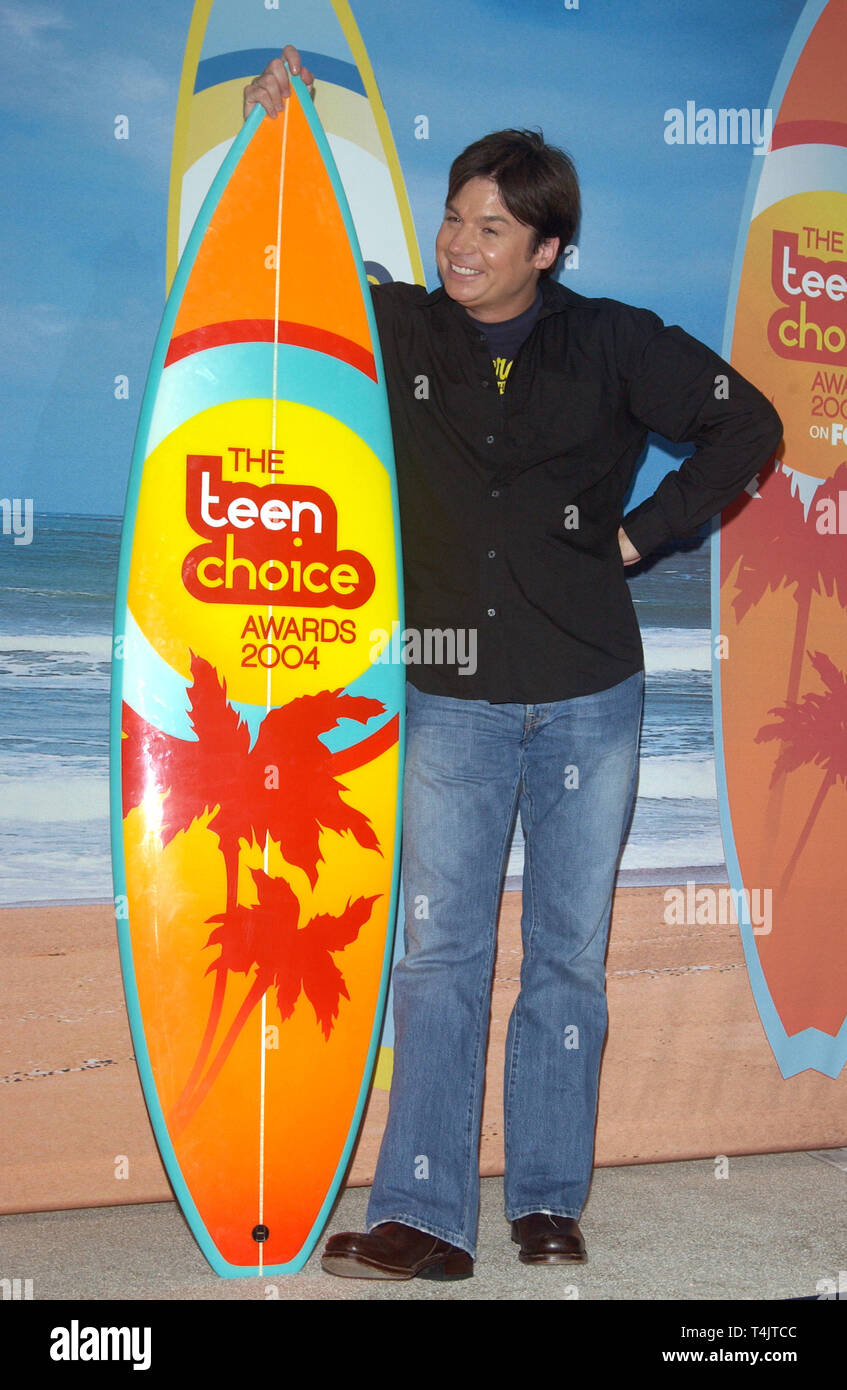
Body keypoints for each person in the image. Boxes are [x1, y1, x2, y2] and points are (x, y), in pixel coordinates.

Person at [244, 49, 782, 1281]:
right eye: (453, 214)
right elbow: (280, 265)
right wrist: (279, 127)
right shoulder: (399, 325)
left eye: (492, 225)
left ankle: (546, 1204)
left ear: (547, 248)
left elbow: (745, 422)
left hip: (591, 695)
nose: (460, 241)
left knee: (562, 959)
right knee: (435, 954)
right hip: (449, 700)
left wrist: (644, 533)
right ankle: (423, 1218)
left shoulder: (612, 344)